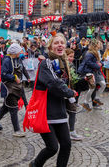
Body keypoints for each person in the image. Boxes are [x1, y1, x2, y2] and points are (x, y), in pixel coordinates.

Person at [29, 33, 77, 167]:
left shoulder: (64, 64)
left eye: (62, 42)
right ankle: (35, 164)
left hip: (59, 112)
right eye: (56, 43)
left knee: (66, 145)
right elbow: (54, 83)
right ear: (50, 47)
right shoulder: (46, 63)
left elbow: (71, 84)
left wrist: (85, 82)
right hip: (46, 112)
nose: (60, 45)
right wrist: (69, 92)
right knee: (52, 147)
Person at [0, 43, 30, 137]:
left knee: (5, 108)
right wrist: (14, 77)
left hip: (15, 88)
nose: (21, 52)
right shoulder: (7, 60)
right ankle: (17, 130)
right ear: (15, 52)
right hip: (9, 89)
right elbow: (4, 74)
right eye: (19, 51)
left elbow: (22, 69)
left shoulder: (16, 59)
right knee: (14, 109)